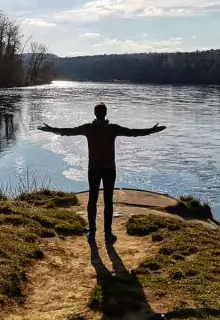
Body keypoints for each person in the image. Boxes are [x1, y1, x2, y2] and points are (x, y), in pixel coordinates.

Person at [39, 103, 166, 242]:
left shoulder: (88, 128)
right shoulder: (112, 128)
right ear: (106, 113)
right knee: (108, 201)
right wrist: (152, 130)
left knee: (92, 200)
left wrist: (51, 129)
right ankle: (108, 233)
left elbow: (67, 131)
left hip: (93, 168)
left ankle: (92, 233)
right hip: (109, 169)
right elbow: (133, 132)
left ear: (95, 113)